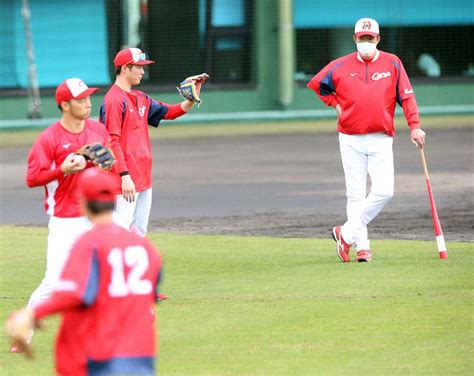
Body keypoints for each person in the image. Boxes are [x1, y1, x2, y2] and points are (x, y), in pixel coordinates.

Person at [5, 168, 163, 375]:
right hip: (140, 358)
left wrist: (32, 314)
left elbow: (73, 294)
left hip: (98, 358)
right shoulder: (146, 248)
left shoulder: (89, 244)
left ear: (83, 203)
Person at [307, 17, 426, 262]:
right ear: (355, 39)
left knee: (385, 191)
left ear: (378, 39)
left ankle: (346, 234)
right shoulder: (339, 65)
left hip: (381, 137)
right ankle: (362, 246)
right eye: (362, 38)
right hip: (350, 137)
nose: (366, 42)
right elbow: (317, 84)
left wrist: (415, 127)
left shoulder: (393, 63)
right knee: (355, 194)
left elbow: (407, 97)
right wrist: (335, 103)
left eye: (370, 38)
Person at [15, 78, 114, 352]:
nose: (88, 103)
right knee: (55, 281)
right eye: (81, 100)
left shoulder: (98, 130)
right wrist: (63, 170)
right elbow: (32, 178)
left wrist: (106, 165)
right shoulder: (49, 139)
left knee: (105, 275)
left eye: (88, 98)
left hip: (97, 216)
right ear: (65, 105)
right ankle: (24, 329)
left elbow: (110, 166)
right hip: (66, 218)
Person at [99, 47, 199, 237]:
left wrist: (190, 100)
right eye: (139, 67)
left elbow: (169, 112)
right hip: (124, 179)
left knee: (139, 232)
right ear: (125, 68)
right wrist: (124, 176)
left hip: (143, 176)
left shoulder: (140, 98)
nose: (143, 72)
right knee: (119, 232)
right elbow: (112, 141)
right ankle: (112, 267)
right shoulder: (113, 100)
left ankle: (133, 267)